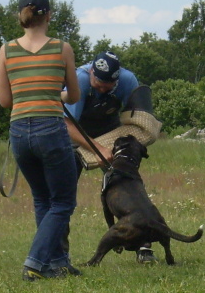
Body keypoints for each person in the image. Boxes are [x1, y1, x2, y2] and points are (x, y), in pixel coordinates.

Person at [0, 0, 82, 281]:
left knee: (42, 200)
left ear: (21, 16)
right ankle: (34, 262)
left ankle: (56, 263)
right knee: (63, 202)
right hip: (50, 129)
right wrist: (52, 92)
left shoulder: (6, 50)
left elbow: (5, 102)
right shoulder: (62, 48)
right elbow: (73, 95)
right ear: (48, 15)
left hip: (20, 131)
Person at [63, 51, 158, 264]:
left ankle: (144, 246)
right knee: (64, 193)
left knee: (130, 186)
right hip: (76, 134)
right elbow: (68, 124)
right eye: (97, 82)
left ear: (117, 78)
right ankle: (60, 254)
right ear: (91, 72)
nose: (102, 87)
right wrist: (98, 149)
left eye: (108, 85)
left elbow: (136, 118)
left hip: (110, 130)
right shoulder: (80, 80)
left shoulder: (127, 80)